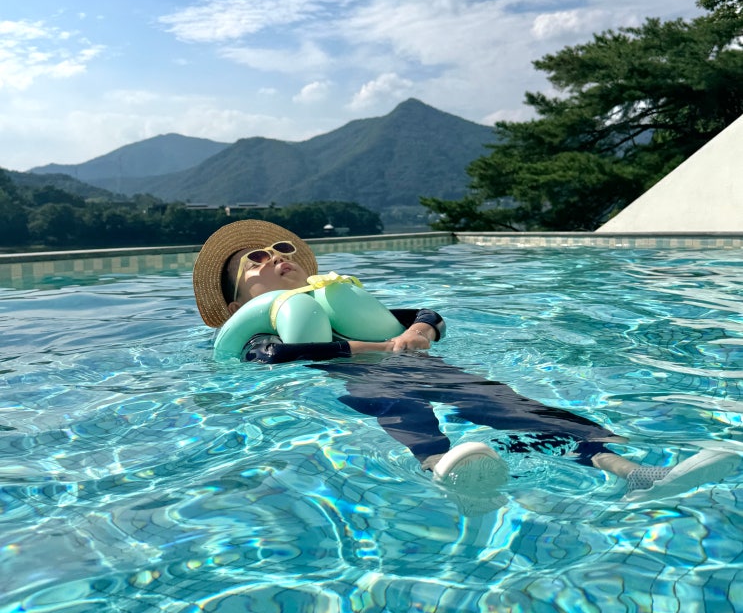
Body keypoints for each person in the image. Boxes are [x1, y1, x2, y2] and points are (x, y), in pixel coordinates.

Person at [192, 219, 739, 513]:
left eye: (280, 249)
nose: (274, 257)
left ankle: (637, 475)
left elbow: (424, 313)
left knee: (508, 407)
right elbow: (275, 357)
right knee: (404, 413)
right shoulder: (261, 327)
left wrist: (418, 332)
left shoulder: (337, 301)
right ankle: (443, 471)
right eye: (255, 260)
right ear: (239, 299)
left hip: (418, 364)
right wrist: (371, 350)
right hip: (360, 380)